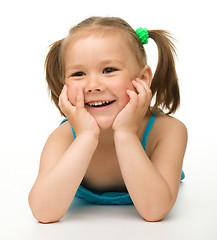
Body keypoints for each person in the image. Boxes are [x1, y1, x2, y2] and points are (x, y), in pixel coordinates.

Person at [28, 16, 188, 223]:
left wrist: (126, 134)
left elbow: (154, 210)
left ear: (143, 79)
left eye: (109, 70)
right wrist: (86, 136)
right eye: (78, 73)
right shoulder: (65, 137)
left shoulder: (167, 131)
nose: (93, 85)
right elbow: (44, 212)